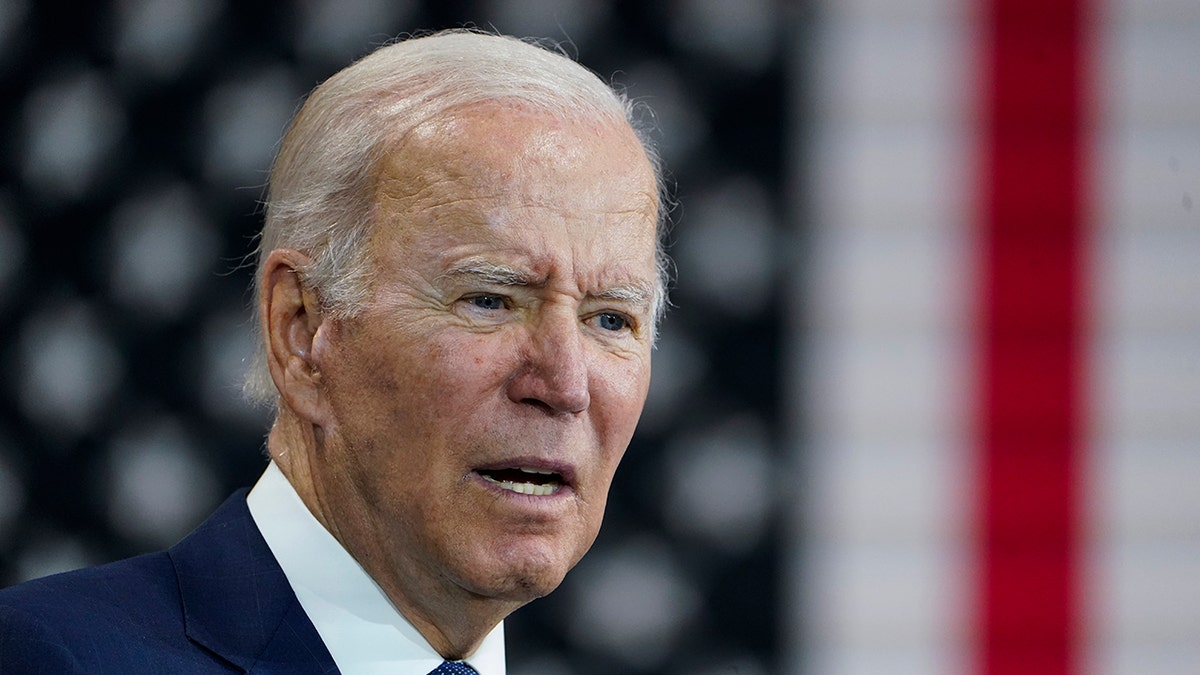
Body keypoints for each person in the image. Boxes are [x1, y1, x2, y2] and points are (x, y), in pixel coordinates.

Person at [0, 29, 668, 674]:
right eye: (489, 300)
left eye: (610, 318)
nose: (565, 382)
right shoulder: (51, 657)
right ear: (301, 330)